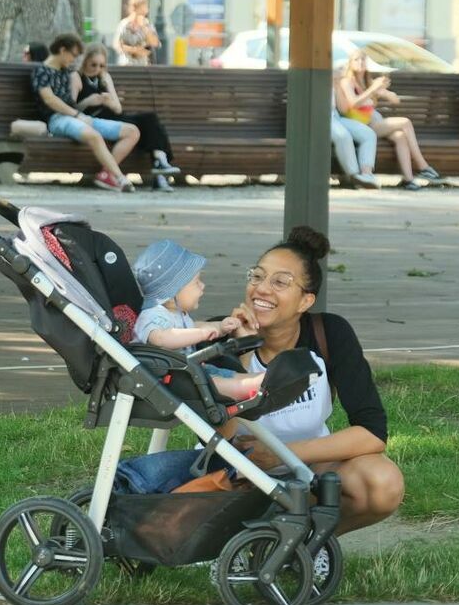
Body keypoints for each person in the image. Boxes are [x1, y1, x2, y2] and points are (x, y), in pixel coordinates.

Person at [228, 226, 404, 535]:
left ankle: (309, 543)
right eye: (256, 276)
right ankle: (241, 540)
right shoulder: (223, 334)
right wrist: (241, 351)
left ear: (305, 301)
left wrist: (284, 453)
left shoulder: (329, 333)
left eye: (280, 282)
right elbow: (216, 434)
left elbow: (372, 432)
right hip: (238, 477)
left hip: (308, 468)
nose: (262, 289)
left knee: (382, 482)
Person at [131, 240, 263, 401]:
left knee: (224, 375)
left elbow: (193, 327)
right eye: (196, 282)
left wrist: (219, 327)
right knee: (218, 382)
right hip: (166, 379)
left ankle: (259, 381)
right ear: (172, 292)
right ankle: (252, 386)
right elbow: (161, 338)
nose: (202, 286)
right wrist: (200, 333)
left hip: (188, 372)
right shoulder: (152, 316)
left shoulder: (177, 313)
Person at [32, 33, 139, 192]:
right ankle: (119, 178)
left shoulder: (66, 71)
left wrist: (103, 80)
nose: (74, 59)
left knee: (132, 131)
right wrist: (77, 115)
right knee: (94, 135)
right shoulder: (41, 71)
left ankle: (106, 175)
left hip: (79, 118)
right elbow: (50, 100)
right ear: (62, 50)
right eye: (73, 55)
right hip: (57, 119)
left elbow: (78, 96)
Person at [71, 45, 181, 191]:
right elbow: (71, 108)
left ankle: (160, 161)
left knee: (150, 119)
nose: (97, 68)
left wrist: (108, 101)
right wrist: (89, 101)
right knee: (147, 128)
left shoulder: (104, 77)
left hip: (114, 116)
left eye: (101, 65)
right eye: (93, 64)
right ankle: (159, 170)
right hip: (94, 119)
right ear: (85, 62)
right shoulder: (76, 77)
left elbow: (118, 109)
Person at [336, 49, 442, 190]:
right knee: (405, 122)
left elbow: (395, 100)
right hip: (358, 125)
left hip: (372, 124)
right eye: (356, 60)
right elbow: (353, 102)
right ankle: (423, 166)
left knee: (400, 136)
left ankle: (408, 180)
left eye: (363, 60)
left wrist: (385, 91)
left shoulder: (368, 82)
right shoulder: (347, 82)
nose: (360, 63)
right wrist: (373, 90)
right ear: (351, 63)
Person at [330, 90, 379, 188]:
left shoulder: (336, 81)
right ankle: (353, 176)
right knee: (343, 136)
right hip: (321, 116)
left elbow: (343, 109)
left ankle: (366, 175)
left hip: (336, 116)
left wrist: (337, 85)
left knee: (368, 134)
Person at [113, 0, 160, 66]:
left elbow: (155, 43)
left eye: (144, 12)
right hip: (126, 64)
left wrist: (144, 27)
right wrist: (134, 50)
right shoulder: (124, 24)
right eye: (140, 11)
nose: (143, 15)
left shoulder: (147, 25)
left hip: (144, 65)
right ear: (133, 9)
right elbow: (117, 44)